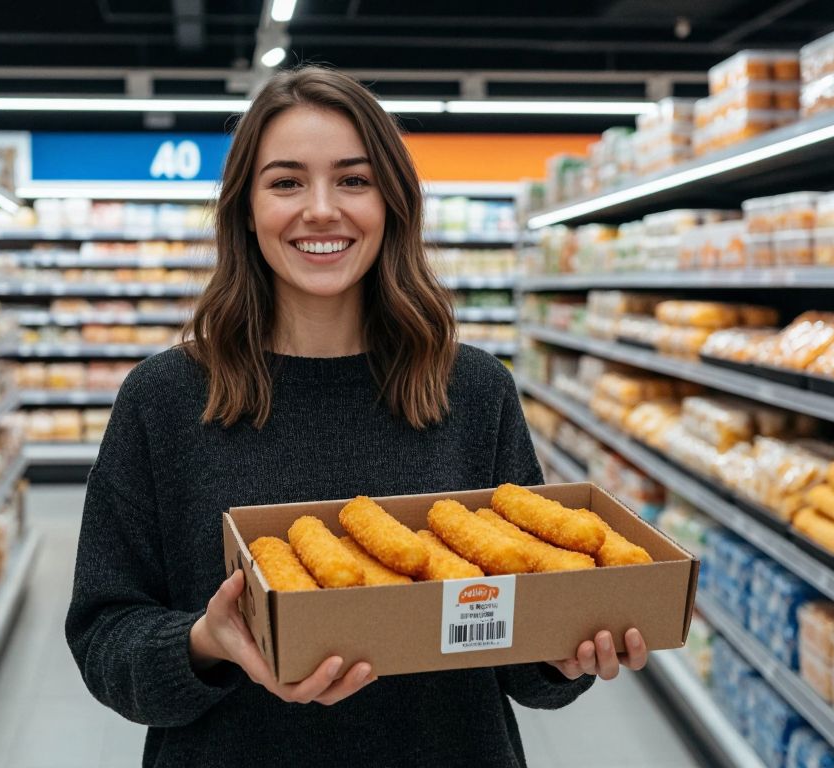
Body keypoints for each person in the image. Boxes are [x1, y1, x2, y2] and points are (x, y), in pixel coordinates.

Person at [66, 65, 649, 767]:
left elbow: (522, 657)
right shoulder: (163, 399)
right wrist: (203, 642)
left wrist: (567, 654)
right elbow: (104, 637)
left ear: (392, 203)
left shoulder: (473, 390)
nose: (321, 209)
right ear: (245, 209)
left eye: (353, 179)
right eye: (286, 182)